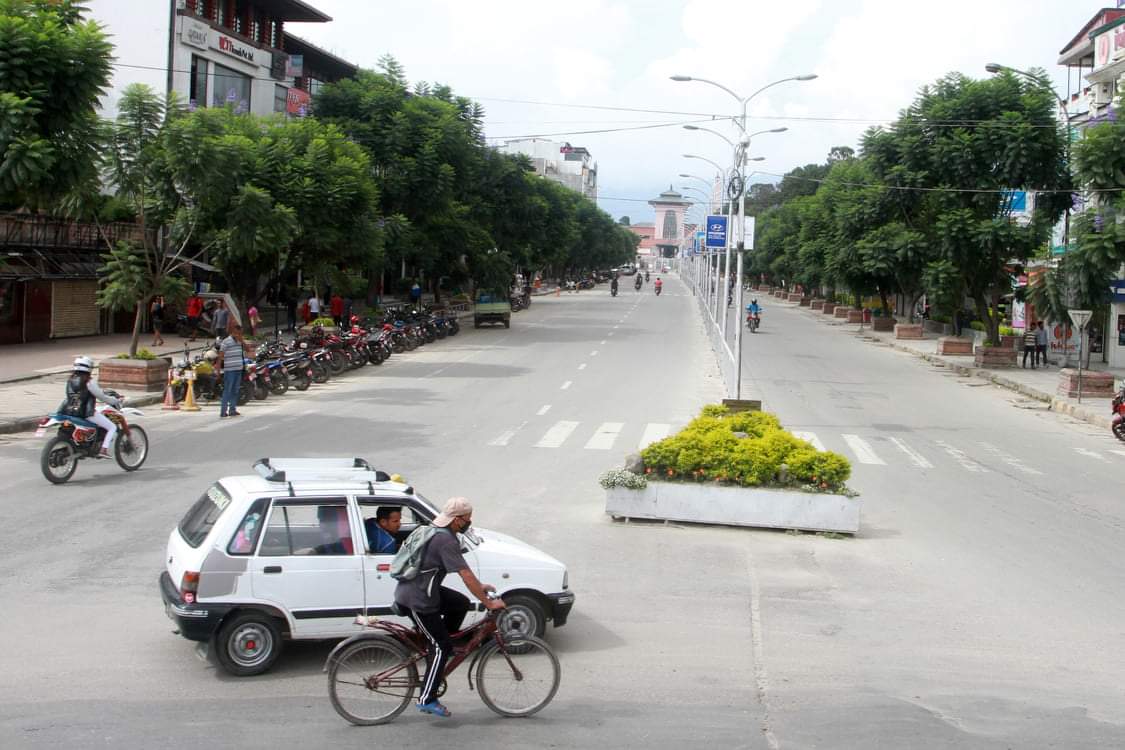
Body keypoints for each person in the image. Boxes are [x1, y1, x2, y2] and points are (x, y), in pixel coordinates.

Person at [394, 497, 505, 718]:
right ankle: (427, 697)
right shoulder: (445, 541)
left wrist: (480, 587)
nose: (469, 522)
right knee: (442, 646)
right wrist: (488, 602)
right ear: (457, 520)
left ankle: (438, 649)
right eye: (467, 518)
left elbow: (465, 572)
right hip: (418, 600)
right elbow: (465, 575)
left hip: (420, 590)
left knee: (461, 603)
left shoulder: (436, 531)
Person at [61, 356, 123, 458]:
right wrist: (116, 400)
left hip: (70, 411)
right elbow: (102, 397)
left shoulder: (70, 380)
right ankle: (103, 450)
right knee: (112, 427)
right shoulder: (89, 382)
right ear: (89, 368)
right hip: (86, 413)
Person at [216, 323, 246, 418]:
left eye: (240, 334)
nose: (238, 335)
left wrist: (242, 341)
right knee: (227, 391)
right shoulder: (226, 342)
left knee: (235, 390)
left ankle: (232, 410)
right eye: (237, 333)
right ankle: (223, 411)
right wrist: (218, 370)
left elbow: (248, 350)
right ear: (233, 332)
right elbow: (220, 357)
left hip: (238, 369)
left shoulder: (240, 341)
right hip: (230, 370)